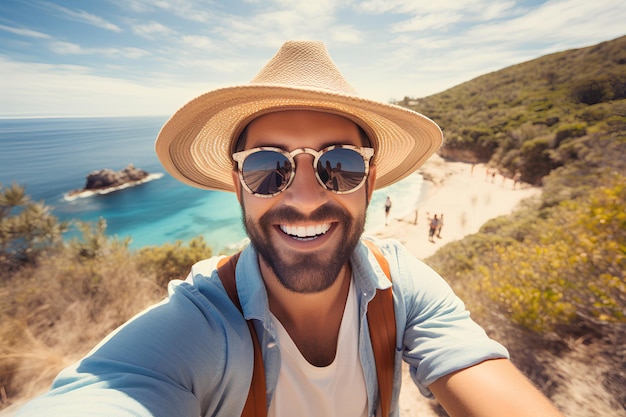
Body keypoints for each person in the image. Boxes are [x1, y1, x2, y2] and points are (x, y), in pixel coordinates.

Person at [17, 41, 564, 417]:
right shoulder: (197, 327)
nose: (304, 197)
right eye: (266, 167)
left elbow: (483, 377)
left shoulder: (404, 290)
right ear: (237, 184)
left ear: (371, 180)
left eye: (340, 164)